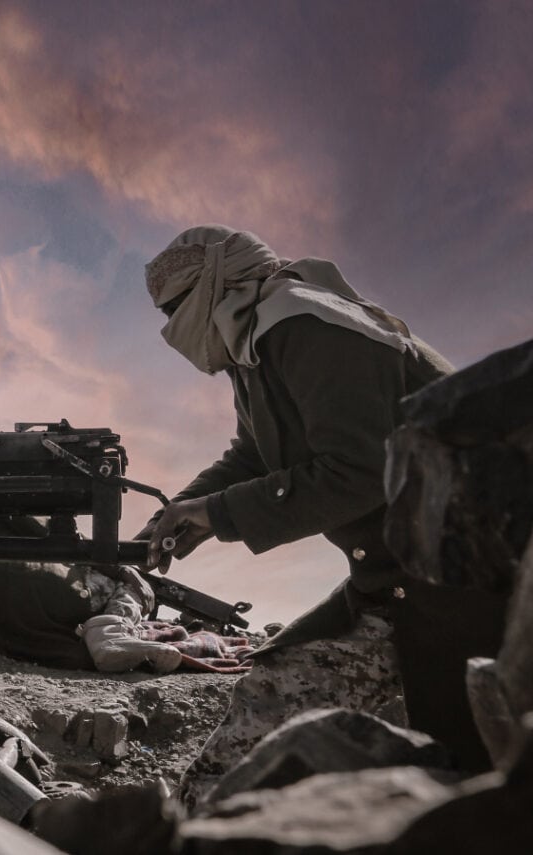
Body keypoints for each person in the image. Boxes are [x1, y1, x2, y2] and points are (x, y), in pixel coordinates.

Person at [138, 225, 508, 805]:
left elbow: (361, 470)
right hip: (401, 569)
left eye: (174, 308)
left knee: (469, 772)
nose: (169, 328)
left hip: (465, 572)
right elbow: (254, 454)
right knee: (276, 687)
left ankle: (209, 826)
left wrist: (221, 513)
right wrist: (179, 513)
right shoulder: (256, 341)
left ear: (216, 285)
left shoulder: (304, 322)